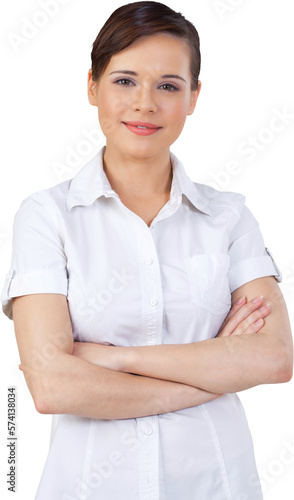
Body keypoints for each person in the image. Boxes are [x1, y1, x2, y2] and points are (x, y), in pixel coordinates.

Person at [1, 1, 293, 499]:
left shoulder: (229, 217)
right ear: (92, 86)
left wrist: (115, 360)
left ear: (194, 96)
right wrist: (213, 373)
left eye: (168, 86)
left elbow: (273, 357)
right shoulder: (47, 216)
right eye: (124, 81)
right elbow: (53, 386)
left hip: (217, 485)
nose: (145, 103)